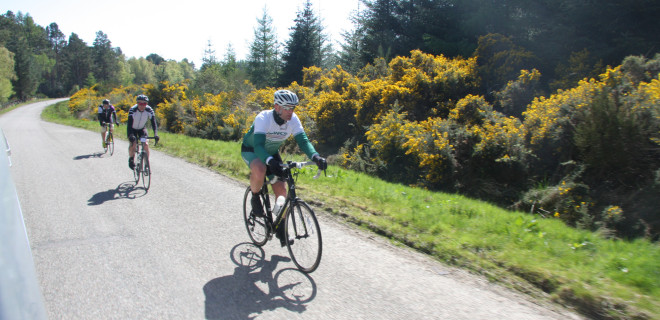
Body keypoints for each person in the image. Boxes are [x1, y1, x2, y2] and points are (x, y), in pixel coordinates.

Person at [241, 89, 327, 246]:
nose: (290, 112)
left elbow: (303, 141)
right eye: (287, 108)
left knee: (282, 191)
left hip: (272, 153)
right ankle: (255, 198)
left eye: (292, 108)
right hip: (253, 150)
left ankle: (281, 227)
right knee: (260, 169)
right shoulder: (263, 118)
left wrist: (315, 156)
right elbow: (259, 145)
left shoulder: (293, 120)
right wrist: (269, 162)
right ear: (277, 107)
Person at [127, 95, 159, 170]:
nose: (142, 105)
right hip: (132, 129)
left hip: (142, 129)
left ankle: (146, 164)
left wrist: (155, 134)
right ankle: (131, 159)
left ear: (146, 104)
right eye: (140, 104)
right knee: (133, 143)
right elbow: (129, 124)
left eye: (144, 104)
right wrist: (131, 135)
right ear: (137, 103)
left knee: (145, 144)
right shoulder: (133, 110)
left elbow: (154, 123)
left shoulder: (149, 110)